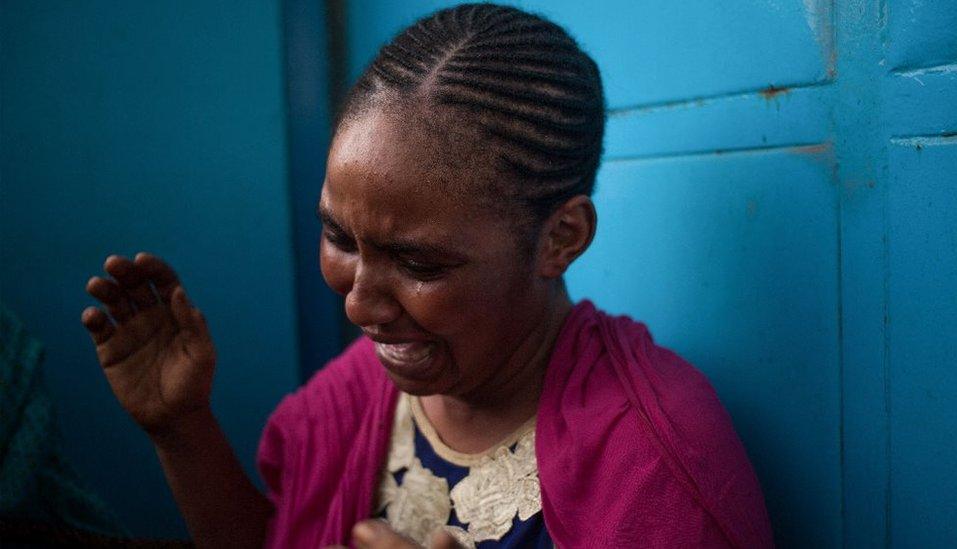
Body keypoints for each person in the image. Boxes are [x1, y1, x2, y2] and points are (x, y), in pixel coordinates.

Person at [81, 4, 773, 548]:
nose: (358, 302)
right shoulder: (362, 391)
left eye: (418, 263)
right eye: (338, 236)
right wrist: (182, 426)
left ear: (560, 238)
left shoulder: (655, 460)